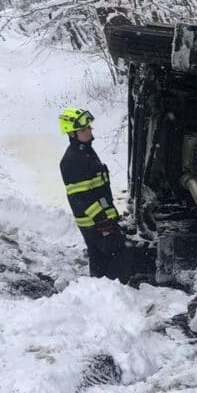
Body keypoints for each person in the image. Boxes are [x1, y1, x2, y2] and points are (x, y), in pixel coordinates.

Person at [59, 107, 126, 282]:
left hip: (102, 218)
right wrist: (101, 219)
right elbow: (79, 198)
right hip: (93, 222)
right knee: (106, 259)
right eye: (83, 129)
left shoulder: (86, 152)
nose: (88, 131)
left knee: (109, 256)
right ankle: (105, 292)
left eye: (89, 127)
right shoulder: (72, 160)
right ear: (72, 134)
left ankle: (106, 291)